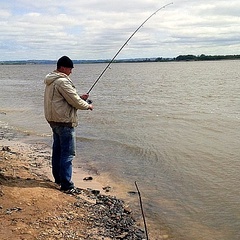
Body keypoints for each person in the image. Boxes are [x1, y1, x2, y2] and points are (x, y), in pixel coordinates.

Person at [44, 56, 93, 194]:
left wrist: (79, 97)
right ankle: (66, 185)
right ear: (63, 68)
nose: (71, 71)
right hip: (64, 122)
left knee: (58, 151)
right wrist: (87, 105)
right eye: (70, 68)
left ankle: (59, 179)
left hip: (54, 121)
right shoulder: (62, 82)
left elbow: (65, 99)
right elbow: (75, 102)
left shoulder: (51, 80)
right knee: (68, 154)